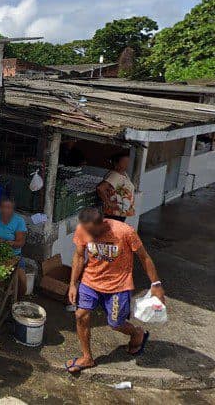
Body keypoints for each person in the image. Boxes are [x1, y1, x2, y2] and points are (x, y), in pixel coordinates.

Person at [65, 208, 165, 373]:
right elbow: (79, 256)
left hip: (118, 286)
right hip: (90, 282)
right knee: (80, 315)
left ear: (103, 223)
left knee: (115, 323)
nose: (91, 236)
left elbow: (144, 257)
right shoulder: (82, 229)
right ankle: (87, 357)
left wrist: (156, 284)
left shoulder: (125, 232)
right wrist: (73, 283)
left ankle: (137, 333)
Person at [0, 197, 28, 297]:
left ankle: (17, 300)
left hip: (14, 256)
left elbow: (21, 242)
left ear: (13, 209)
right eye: (3, 207)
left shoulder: (19, 221)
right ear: (0, 208)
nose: (5, 210)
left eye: (8, 208)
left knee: (22, 282)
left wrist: (11, 243)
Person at [97, 153, 136, 222]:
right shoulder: (115, 175)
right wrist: (109, 203)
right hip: (115, 212)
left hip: (120, 211)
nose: (126, 164)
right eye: (124, 162)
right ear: (116, 163)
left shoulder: (123, 174)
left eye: (127, 162)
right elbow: (100, 188)